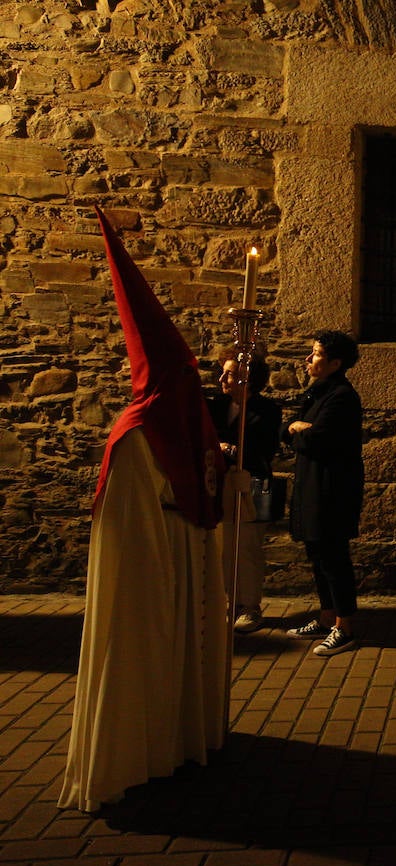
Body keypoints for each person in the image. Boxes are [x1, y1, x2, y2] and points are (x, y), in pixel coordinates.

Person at [60, 208, 230, 811]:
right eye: (183, 376)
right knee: (144, 660)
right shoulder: (134, 435)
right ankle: (132, 754)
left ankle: (178, 740)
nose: (193, 388)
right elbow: (134, 517)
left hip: (181, 558)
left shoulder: (180, 423)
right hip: (150, 572)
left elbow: (204, 479)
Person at [282, 331, 364, 657]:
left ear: (334, 363)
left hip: (332, 489)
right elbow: (287, 428)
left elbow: (318, 440)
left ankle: (344, 626)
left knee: (333, 557)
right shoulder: (316, 393)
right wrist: (296, 428)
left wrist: (301, 431)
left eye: (315, 354)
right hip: (312, 484)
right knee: (317, 555)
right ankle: (327, 616)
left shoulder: (342, 397)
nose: (308, 359)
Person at [211, 347, 282, 634]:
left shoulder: (267, 411)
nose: (222, 379)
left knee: (247, 547)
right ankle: (226, 602)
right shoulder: (216, 406)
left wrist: (229, 448)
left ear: (247, 380)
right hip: (218, 484)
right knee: (220, 546)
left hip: (248, 485)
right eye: (224, 373)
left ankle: (250, 605)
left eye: (230, 374)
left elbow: (264, 450)